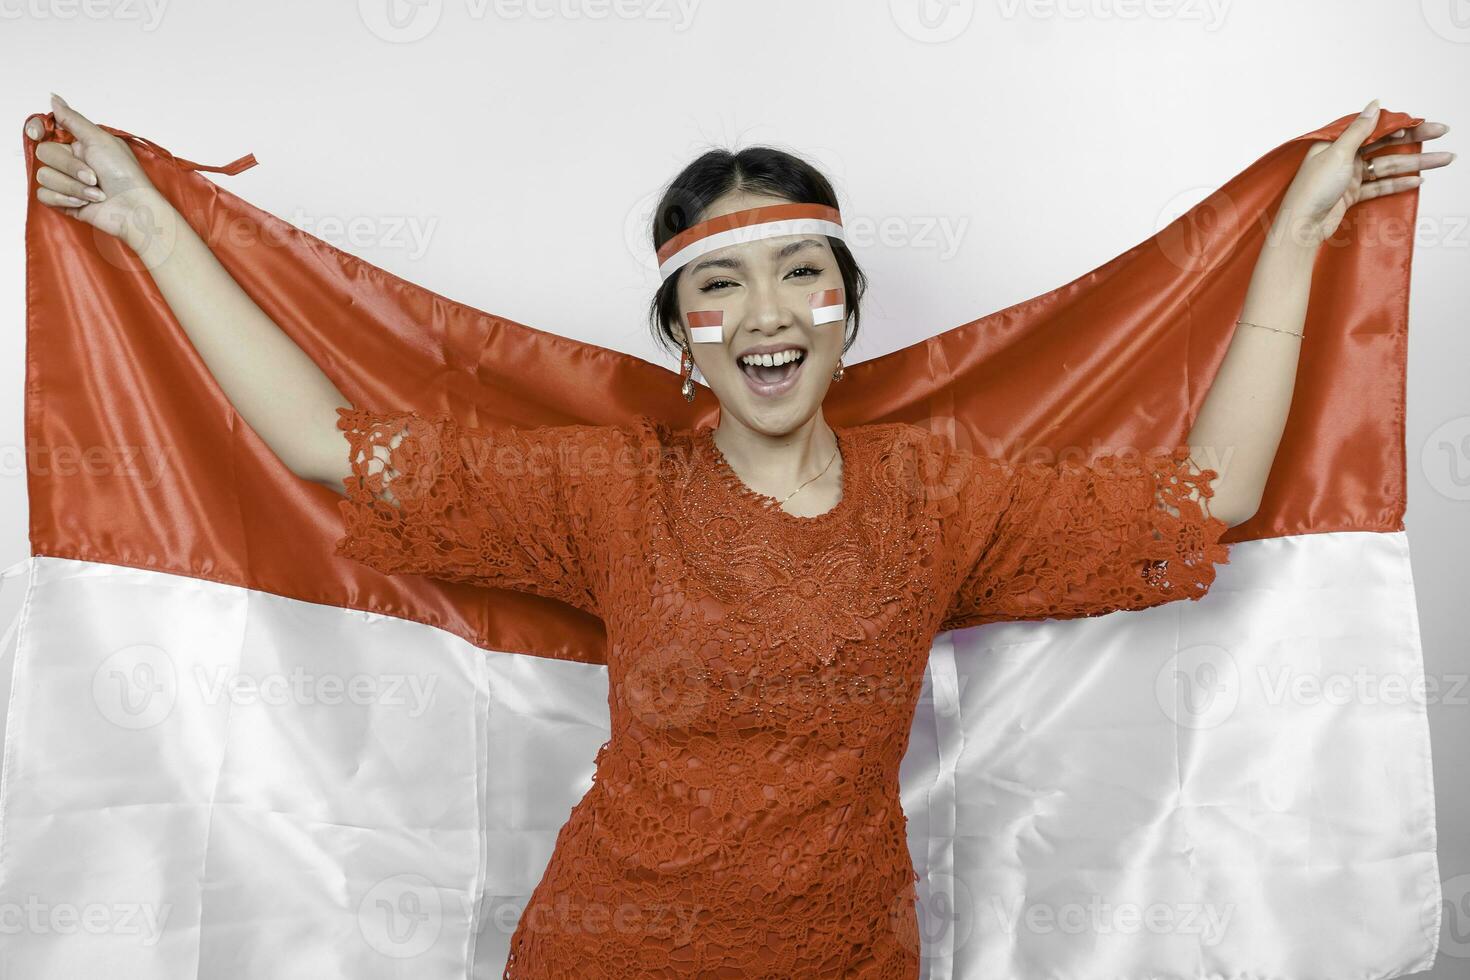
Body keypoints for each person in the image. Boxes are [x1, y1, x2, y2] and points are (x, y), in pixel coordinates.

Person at [26, 93, 1454, 979]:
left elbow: (1200, 509)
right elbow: (331, 450)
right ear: (681, 337)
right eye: (719, 287)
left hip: (847, 957)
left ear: (846, 307)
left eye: (798, 274)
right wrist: (152, 226)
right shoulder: (607, 495)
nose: (765, 310)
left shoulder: (938, 499)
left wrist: (1296, 236)